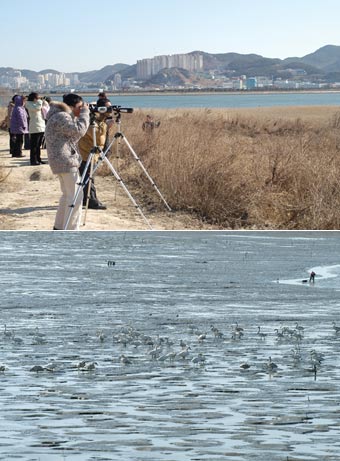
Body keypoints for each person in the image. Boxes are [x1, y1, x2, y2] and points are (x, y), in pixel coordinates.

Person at [45, 93, 90, 230]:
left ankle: (59, 227)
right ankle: (71, 231)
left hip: (61, 160)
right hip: (65, 161)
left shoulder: (59, 115)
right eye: (80, 107)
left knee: (67, 196)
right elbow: (78, 131)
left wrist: (82, 115)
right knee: (76, 198)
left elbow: (70, 138)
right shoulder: (62, 116)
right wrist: (86, 114)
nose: (81, 109)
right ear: (71, 106)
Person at [78, 98, 114, 210]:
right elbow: (95, 133)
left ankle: (86, 199)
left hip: (92, 152)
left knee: (88, 176)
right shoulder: (92, 118)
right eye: (108, 107)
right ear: (101, 108)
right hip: (87, 152)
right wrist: (106, 125)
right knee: (88, 177)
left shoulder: (101, 118)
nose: (110, 110)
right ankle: (92, 201)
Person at [26, 92, 48, 165]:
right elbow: (37, 108)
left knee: (38, 145)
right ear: (34, 98)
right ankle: (33, 160)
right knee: (34, 146)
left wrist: (42, 101)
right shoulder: (28, 104)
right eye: (37, 98)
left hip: (41, 127)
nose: (39, 99)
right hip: (35, 127)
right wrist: (40, 101)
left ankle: (38, 159)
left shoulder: (37, 103)